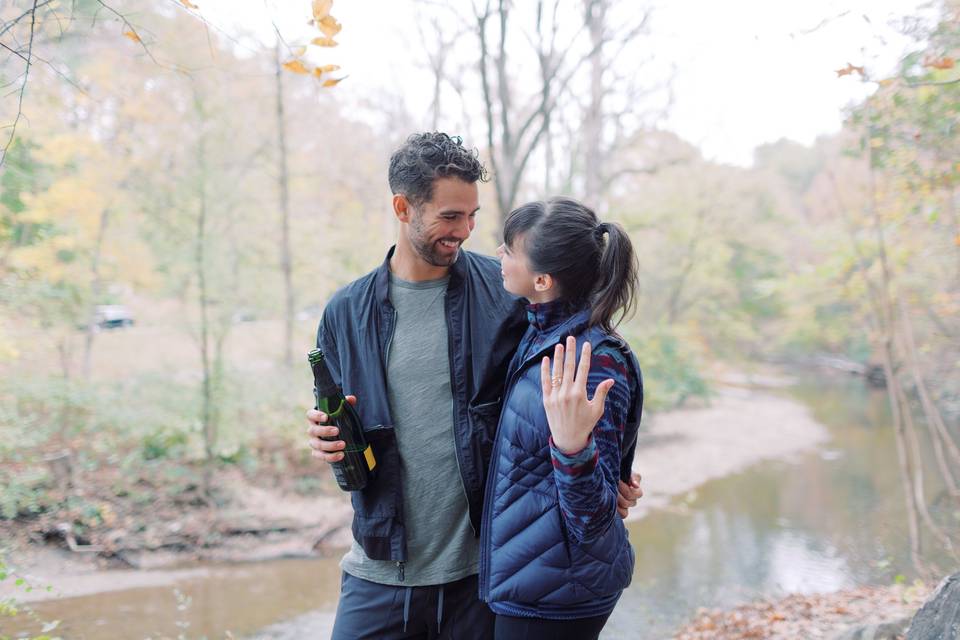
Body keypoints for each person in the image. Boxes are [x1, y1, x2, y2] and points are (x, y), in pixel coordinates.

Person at [306, 133, 643, 640]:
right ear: (403, 207)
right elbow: (340, 422)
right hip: (380, 567)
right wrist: (323, 437)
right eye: (449, 216)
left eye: (472, 216)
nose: (464, 231)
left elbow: (585, 372)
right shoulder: (345, 313)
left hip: (482, 579)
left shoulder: (507, 294)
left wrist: (607, 470)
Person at [480, 197, 643, 640]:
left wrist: (574, 449)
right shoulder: (545, 334)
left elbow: (593, 518)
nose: (499, 254)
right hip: (538, 576)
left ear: (543, 279)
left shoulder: (591, 360)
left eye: (510, 250)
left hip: (559, 593)